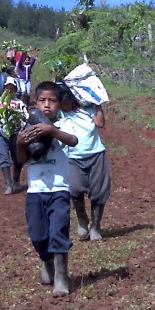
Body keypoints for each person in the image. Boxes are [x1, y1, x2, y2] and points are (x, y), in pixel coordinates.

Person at [17, 81, 78, 296]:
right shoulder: (27, 127)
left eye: (52, 101)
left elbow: (72, 140)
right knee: (38, 236)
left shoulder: (64, 124)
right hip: (35, 190)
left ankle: (61, 278)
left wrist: (51, 130)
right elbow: (23, 160)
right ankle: (47, 262)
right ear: (35, 103)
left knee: (58, 232)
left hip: (59, 189)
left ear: (60, 104)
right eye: (42, 101)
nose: (47, 105)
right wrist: (19, 143)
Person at [59, 85, 111, 241]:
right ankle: (82, 220)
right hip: (73, 158)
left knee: (99, 193)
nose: (65, 106)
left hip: (95, 155)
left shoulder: (86, 109)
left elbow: (100, 123)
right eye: (62, 104)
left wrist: (98, 103)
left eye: (67, 103)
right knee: (74, 190)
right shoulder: (59, 114)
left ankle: (95, 226)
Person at [0, 76, 27, 194]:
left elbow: (25, 118)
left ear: (15, 89)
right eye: (7, 88)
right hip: (0, 132)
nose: (9, 90)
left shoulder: (19, 103)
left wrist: (22, 127)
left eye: (12, 88)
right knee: (4, 158)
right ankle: (8, 184)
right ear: (4, 88)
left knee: (18, 159)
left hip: (15, 134)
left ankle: (16, 181)